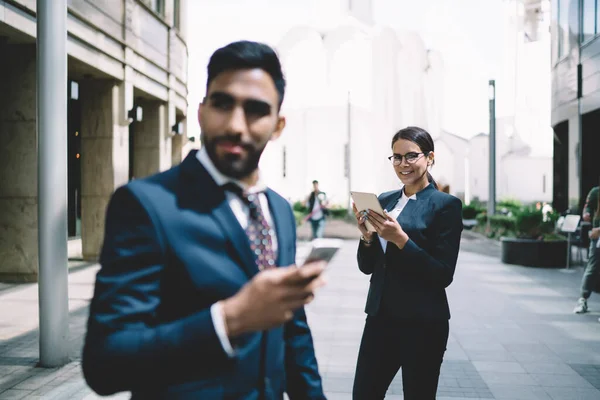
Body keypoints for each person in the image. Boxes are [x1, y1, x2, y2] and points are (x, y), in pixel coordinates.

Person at [82, 40, 327, 400]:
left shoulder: (278, 210)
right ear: (201, 112)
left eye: (256, 110)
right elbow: (105, 363)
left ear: (278, 125)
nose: (235, 125)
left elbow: (292, 331)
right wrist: (229, 320)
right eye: (223, 104)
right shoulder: (147, 205)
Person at [351, 126, 463, 400]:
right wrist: (367, 238)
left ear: (430, 158)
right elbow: (368, 267)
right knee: (364, 394)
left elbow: (442, 275)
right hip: (380, 318)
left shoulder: (445, 205)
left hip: (423, 323)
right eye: (396, 157)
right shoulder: (385, 200)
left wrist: (402, 240)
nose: (403, 164)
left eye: (411, 156)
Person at [573, 179, 600, 317]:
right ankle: (583, 298)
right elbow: (587, 207)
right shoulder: (596, 192)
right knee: (593, 267)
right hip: (597, 236)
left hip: (598, 232)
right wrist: (587, 214)